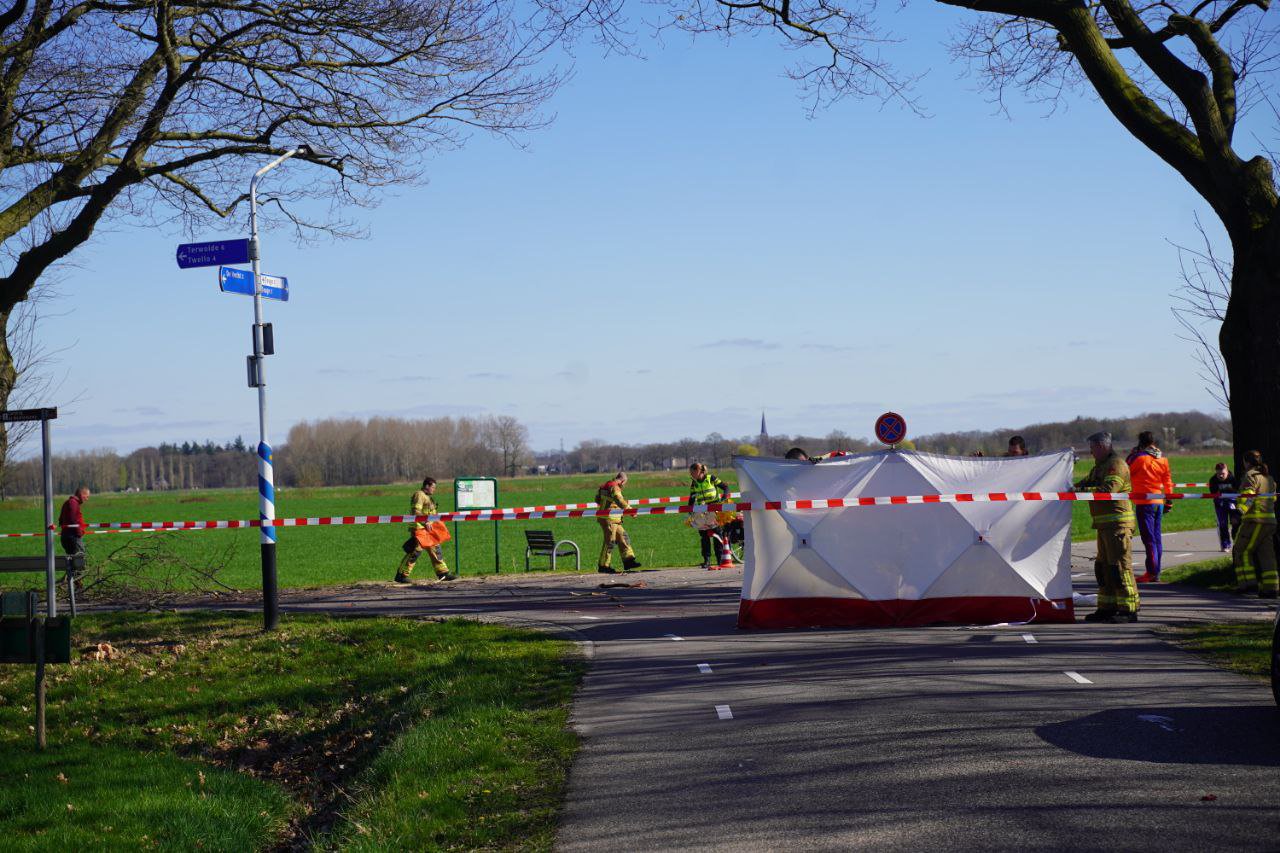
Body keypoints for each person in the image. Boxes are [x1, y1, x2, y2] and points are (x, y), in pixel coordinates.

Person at [1075, 432, 1139, 623]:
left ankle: (1128, 610)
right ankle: (1107, 607)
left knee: (1119, 567)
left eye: (1092, 448)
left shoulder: (1116, 465)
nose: (1091, 452)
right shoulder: (1099, 467)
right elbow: (1085, 483)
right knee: (1103, 568)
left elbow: (1108, 490)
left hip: (1118, 525)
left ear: (1102, 446)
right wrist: (1070, 489)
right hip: (1104, 526)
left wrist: (1081, 491)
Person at [1126, 431, 1174, 583]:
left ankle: (1152, 572)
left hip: (1144, 503)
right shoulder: (1163, 459)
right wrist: (1169, 500)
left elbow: (1125, 469)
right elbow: (1167, 481)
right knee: (1156, 538)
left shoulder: (1139, 459)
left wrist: (1133, 454)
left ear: (1141, 442)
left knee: (1149, 539)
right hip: (1158, 502)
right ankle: (1156, 570)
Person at [1232, 450, 1278, 598]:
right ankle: (1271, 588)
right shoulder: (1268, 477)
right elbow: (1273, 499)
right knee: (1267, 555)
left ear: (1247, 462)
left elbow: (1249, 496)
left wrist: (1239, 512)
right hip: (1270, 522)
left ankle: (1248, 586)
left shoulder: (1250, 476)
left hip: (1254, 520)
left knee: (1241, 551)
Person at [394, 477, 455, 583]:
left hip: (428, 529)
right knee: (415, 551)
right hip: (419, 528)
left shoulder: (428, 498)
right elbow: (415, 511)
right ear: (427, 486)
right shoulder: (419, 495)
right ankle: (401, 575)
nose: (434, 490)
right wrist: (425, 521)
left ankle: (443, 573)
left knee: (435, 548)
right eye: (433, 487)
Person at [596, 472, 641, 574]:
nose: (624, 485)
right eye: (625, 483)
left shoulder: (605, 485)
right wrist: (631, 511)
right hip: (609, 519)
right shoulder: (614, 487)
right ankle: (603, 566)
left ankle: (628, 560)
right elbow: (619, 500)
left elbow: (597, 499)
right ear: (623, 481)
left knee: (623, 537)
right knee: (610, 542)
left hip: (612, 519)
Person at [688, 462, 731, 569]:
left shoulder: (710, 478)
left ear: (699, 471)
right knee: (704, 536)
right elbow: (692, 498)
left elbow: (725, 487)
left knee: (717, 535)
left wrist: (724, 498)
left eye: (692, 472)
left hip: (714, 510)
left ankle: (719, 559)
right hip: (702, 512)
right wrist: (689, 510)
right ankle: (706, 560)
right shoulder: (694, 483)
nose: (691, 474)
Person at [1208, 462, 1239, 552]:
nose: (1221, 476)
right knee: (1222, 524)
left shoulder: (1233, 479)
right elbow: (1213, 493)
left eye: (1223, 473)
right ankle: (1225, 544)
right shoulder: (1213, 480)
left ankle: (1237, 543)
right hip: (1220, 504)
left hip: (1233, 502)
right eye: (1219, 474)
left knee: (1235, 522)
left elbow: (1238, 491)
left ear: (1227, 471)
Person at [57, 486, 90, 563]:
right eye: (87, 497)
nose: (87, 499)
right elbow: (73, 520)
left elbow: (61, 520)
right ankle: (78, 575)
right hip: (73, 537)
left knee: (72, 561)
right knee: (79, 561)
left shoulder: (67, 502)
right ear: (81, 494)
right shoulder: (73, 503)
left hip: (66, 536)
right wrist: (79, 533)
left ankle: (71, 574)